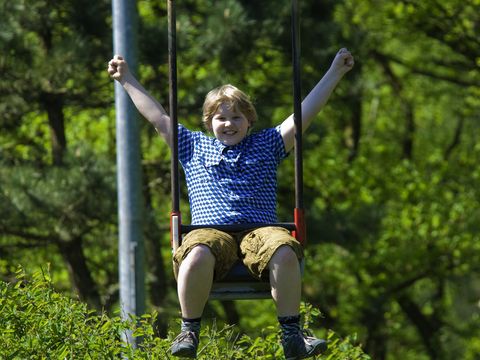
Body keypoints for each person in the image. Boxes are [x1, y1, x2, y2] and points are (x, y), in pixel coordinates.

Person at [108, 48, 354, 359]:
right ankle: (188, 331)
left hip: (261, 231)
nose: (229, 124)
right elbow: (157, 117)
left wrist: (335, 73)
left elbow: (304, 114)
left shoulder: (267, 144)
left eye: (236, 117)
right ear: (209, 123)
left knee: (285, 251)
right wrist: (126, 79)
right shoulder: (193, 146)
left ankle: (292, 335)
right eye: (221, 118)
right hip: (210, 232)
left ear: (249, 120)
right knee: (196, 254)